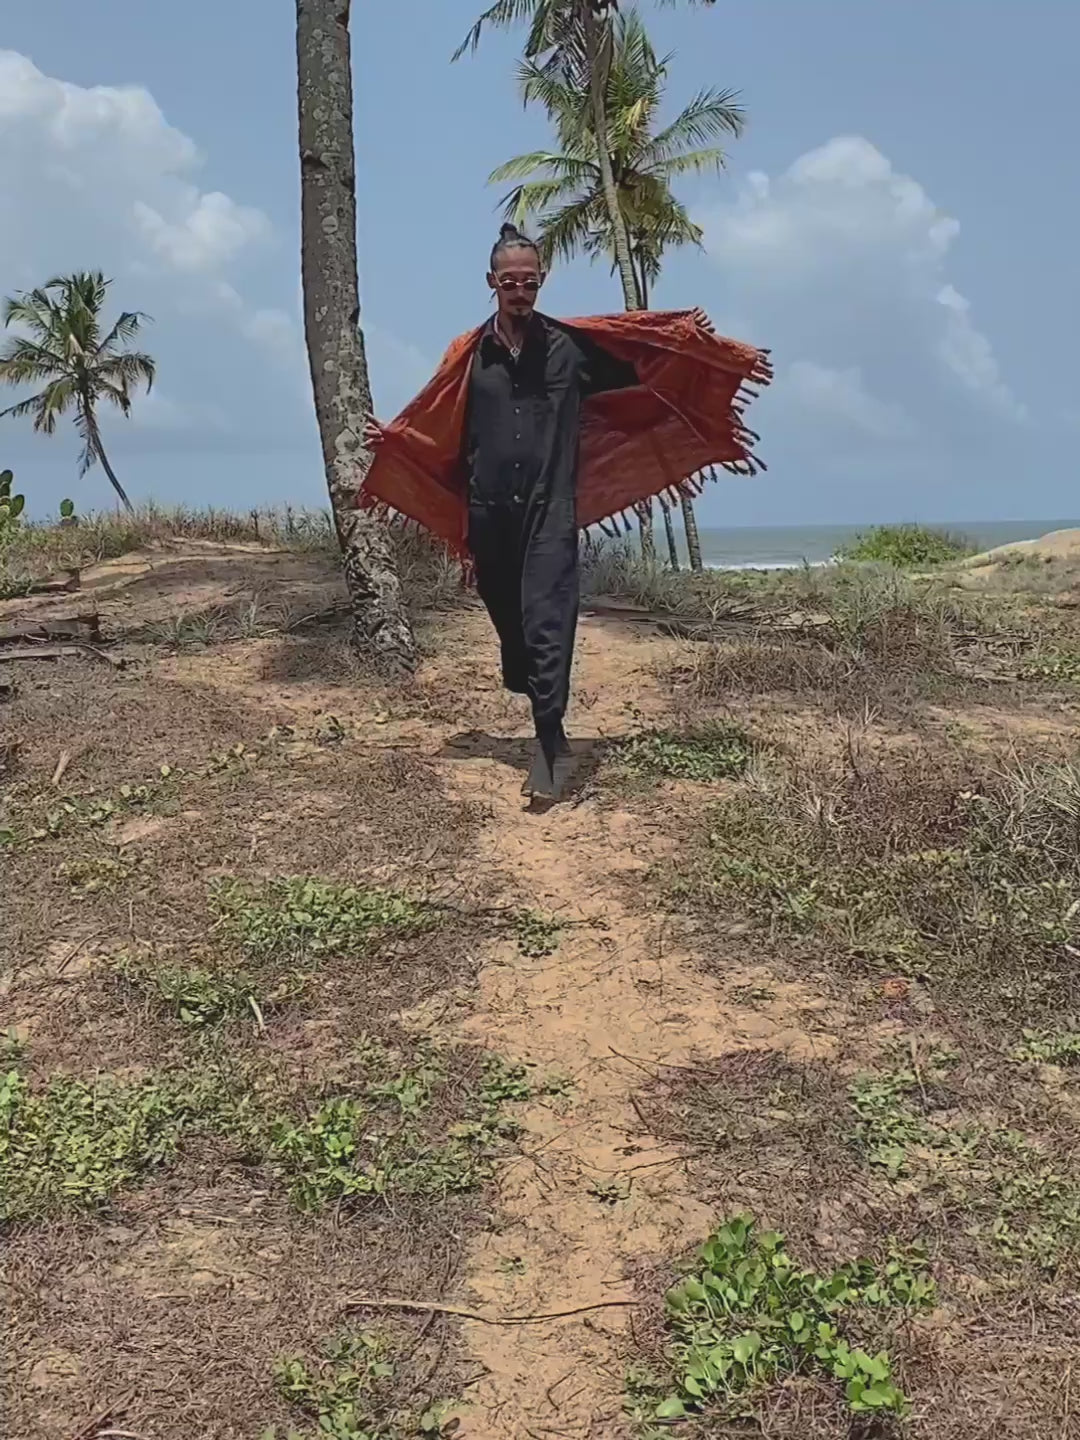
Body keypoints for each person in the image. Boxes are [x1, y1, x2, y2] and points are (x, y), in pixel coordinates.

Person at [362, 223, 772, 804]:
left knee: (549, 622)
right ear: (491, 283)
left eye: (529, 282)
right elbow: (437, 421)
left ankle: (550, 743)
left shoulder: (571, 349)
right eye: (510, 282)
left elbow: (642, 365)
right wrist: (396, 442)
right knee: (512, 627)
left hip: (551, 509)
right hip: (488, 510)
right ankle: (521, 670)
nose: (520, 292)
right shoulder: (467, 355)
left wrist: (683, 342)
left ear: (543, 281)